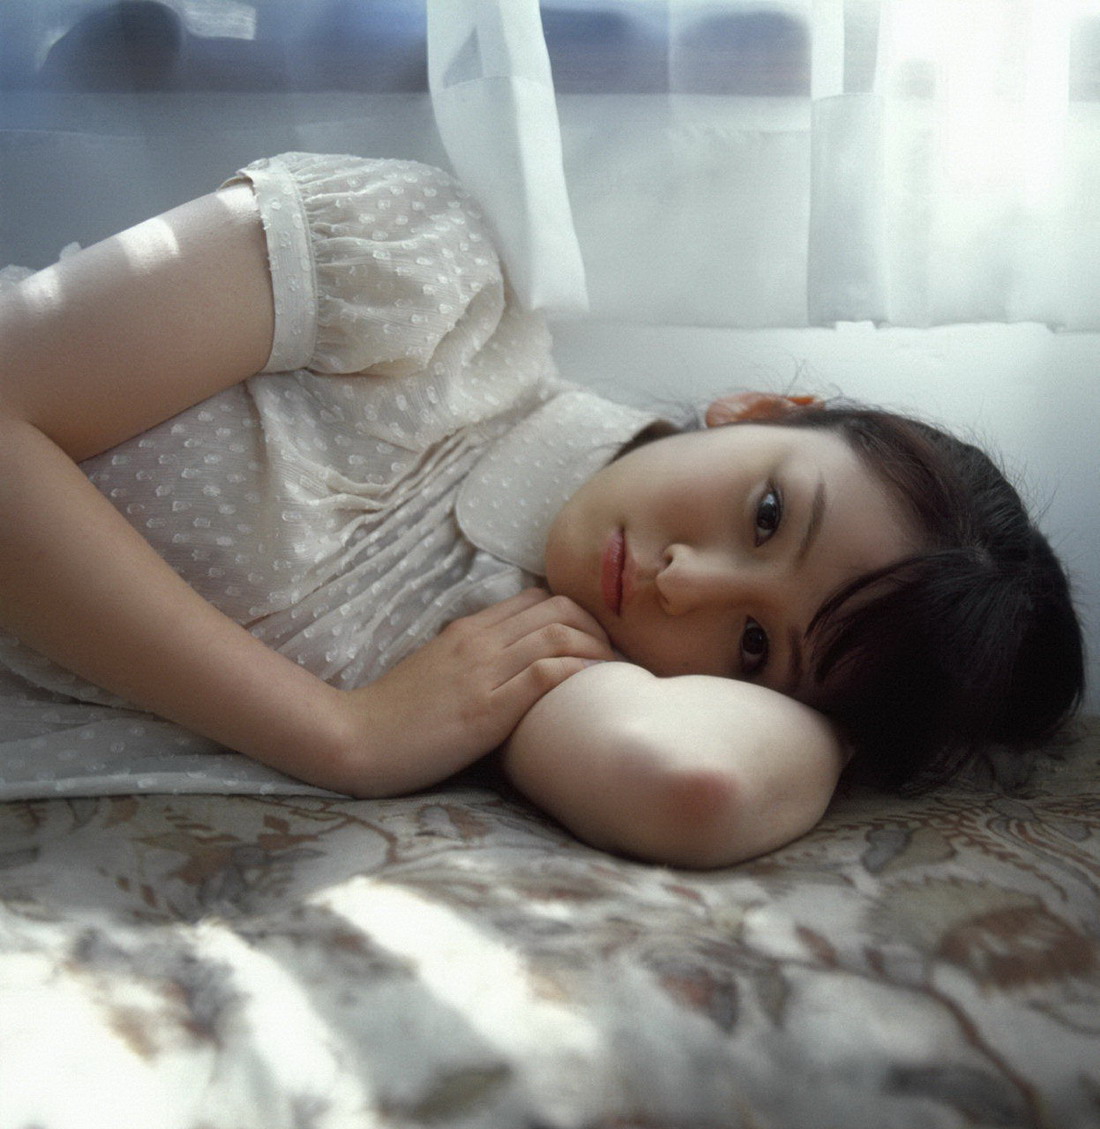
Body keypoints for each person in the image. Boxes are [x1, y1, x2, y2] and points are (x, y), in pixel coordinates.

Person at [0, 153, 1084, 868]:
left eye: (753, 645)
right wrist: (343, 733)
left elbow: (695, 784)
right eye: (765, 514)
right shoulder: (428, 280)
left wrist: (855, 711)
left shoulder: (536, 661)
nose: (684, 582)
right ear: (759, 407)